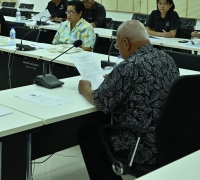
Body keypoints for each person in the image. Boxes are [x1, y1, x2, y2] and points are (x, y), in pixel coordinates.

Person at [77, 20, 179, 179]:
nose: (118, 50)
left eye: (118, 46)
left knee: (87, 135)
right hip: (168, 139)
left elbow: (100, 100)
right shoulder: (167, 59)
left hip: (141, 143)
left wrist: (85, 89)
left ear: (126, 43)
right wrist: (115, 79)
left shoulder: (129, 66)